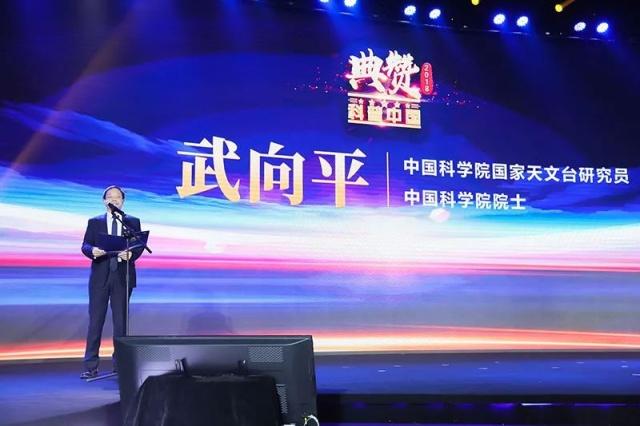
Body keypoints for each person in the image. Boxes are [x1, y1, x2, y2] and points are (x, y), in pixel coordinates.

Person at [80, 185, 143, 379]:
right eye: (110, 197)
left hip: (122, 276)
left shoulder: (132, 221)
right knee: (95, 321)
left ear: (122, 201)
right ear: (104, 201)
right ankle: (91, 366)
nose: (114, 200)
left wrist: (131, 254)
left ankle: (120, 366)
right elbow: (85, 244)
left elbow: (139, 244)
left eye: (118, 197)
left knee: (121, 324)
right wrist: (92, 251)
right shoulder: (95, 222)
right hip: (100, 276)